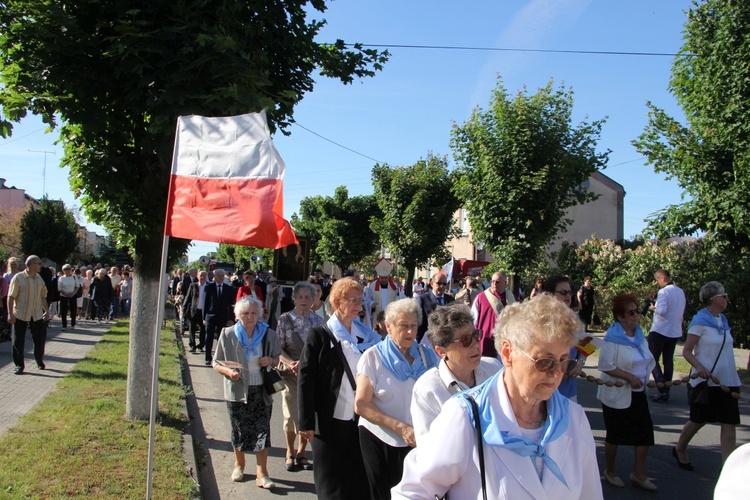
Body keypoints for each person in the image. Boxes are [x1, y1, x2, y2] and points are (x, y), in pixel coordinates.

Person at [393, 294, 602, 499]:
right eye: (544, 361)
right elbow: (412, 492)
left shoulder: (574, 418)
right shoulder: (464, 415)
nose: (556, 373)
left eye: (564, 361)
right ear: (508, 352)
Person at [354, 298, 439, 500]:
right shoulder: (372, 357)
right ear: (389, 327)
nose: (410, 332)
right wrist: (400, 428)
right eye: (403, 326)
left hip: (418, 440)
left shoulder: (426, 356)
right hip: (379, 438)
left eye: (413, 326)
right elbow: (361, 404)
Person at [297, 277, 371, 499]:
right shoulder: (319, 335)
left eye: (360, 300)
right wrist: (306, 422)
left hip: (357, 419)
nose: (358, 305)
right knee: (330, 480)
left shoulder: (364, 335)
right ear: (338, 302)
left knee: (356, 478)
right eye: (353, 300)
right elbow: (306, 379)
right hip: (328, 419)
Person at [212, 297, 280, 489]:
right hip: (237, 390)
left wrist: (270, 361)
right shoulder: (228, 334)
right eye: (245, 314)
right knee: (239, 429)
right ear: (237, 316)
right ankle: (239, 465)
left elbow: (277, 359)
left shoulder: (269, 334)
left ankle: (262, 473)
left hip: (261, 390)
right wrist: (228, 372)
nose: (250, 317)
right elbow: (216, 362)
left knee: (262, 430)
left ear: (259, 314)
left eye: (253, 313)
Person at [410, 303, 501, 444]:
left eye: (476, 335)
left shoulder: (494, 369)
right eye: (465, 341)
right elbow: (428, 451)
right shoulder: (428, 390)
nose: (476, 344)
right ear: (441, 351)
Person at [674, 281, 741, 469]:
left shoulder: (723, 320)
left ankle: (728, 468)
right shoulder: (699, 322)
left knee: (729, 424)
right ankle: (680, 448)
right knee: (698, 420)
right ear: (714, 299)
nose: (727, 299)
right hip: (706, 381)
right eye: (724, 296)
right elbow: (687, 351)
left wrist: (734, 376)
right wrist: (699, 367)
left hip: (726, 381)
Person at [597, 293, 658, 492]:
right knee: (615, 434)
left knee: (645, 433)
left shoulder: (639, 336)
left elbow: (647, 360)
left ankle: (638, 474)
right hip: (615, 393)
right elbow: (606, 365)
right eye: (631, 312)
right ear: (620, 317)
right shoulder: (613, 337)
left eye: (637, 311)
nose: (636, 315)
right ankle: (610, 471)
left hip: (638, 392)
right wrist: (629, 377)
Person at [276, 281, 322, 472]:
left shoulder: (318, 322)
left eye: (307, 297)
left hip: (310, 375)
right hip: (290, 373)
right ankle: (289, 451)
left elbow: (321, 350)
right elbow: (277, 348)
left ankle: (302, 453)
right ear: (294, 298)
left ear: (313, 299)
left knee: (307, 415)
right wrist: (290, 363)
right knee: (290, 414)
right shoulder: (284, 320)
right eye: (300, 297)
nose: (304, 300)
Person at [543, 276, 587, 402]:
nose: (567, 296)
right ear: (550, 294)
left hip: (569, 389)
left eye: (569, 292)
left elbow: (584, 345)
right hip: (546, 386)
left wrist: (580, 364)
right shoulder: (541, 319)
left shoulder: (575, 318)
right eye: (563, 292)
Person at [647, 269, 686, 402]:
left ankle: (661, 385)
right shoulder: (680, 291)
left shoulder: (664, 292)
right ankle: (666, 389)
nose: (657, 283)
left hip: (660, 329)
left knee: (651, 358)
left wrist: (653, 308)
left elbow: (662, 310)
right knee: (668, 360)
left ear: (662, 278)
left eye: (657, 280)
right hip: (674, 330)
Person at [7, 255, 50, 375]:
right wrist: (10, 314)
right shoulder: (19, 278)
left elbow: (43, 296)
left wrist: (46, 311)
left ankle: (39, 361)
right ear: (31, 265)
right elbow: (11, 297)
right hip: (21, 313)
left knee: (39, 339)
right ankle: (19, 365)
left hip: (36, 314)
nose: (40, 266)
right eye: (39, 263)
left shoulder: (39, 279)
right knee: (18, 340)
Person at [471, 270, 515, 359]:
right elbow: (473, 319)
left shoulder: (511, 298)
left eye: (498, 282)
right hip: (486, 341)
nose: (494, 284)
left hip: (505, 340)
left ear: (505, 282)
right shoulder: (481, 298)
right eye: (492, 281)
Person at [203, 269, 235, 365]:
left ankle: (219, 358)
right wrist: (204, 317)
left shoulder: (228, 288)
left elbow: (231, 305)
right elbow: (206, 303)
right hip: (211, 315)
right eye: (219, 275)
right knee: (209, 337)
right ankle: (208, 357)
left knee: (221, 338)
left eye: (222, 276)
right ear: (215, 276)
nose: (221, 277)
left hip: (223, 316)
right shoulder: (209, 287)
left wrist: (230, 319)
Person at [416, 272, 455, 341]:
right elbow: (418, 323)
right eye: (439, 283)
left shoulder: (451, 300)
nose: (441, 286)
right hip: (428, 341)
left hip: (446, 341)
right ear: (431, 284)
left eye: (444, 284)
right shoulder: (422, 299)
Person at [364, 258, 402, 327]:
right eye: (381, 278)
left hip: (390, 316)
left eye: (385, 278)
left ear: (388, 276)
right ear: (378, 276)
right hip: (377, 317)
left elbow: (399, 298)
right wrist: (372, 304)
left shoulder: (394, 286)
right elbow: (367, 299)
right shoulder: (372, 286)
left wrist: (400, 289)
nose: (384, 280)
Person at [183, 270, 207, 353]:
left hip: (203, 312)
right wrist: (184, 309)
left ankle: (201, 345)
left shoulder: (209, 287)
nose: (202, 277)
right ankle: (192, 345)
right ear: (197, 276)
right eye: (201, 275)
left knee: (203, 329)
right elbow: (188, 298)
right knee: (192, 328)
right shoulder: (193, 286)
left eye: (204, 275)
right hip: (193, 310)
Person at [57, 264, 80, 331]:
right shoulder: (61, 278)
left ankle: (73, 324)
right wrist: (66, 294)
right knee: (63, 311)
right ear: (63, 271)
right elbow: (59, 288)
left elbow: (77, 286)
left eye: (69, 269)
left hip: (72, 295)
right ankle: (64, 325)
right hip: (64, 296)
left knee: (73, 310)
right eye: (66, 269)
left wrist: (72, 294)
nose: (68, 270)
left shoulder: (74, 277)